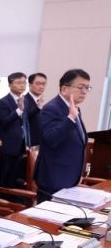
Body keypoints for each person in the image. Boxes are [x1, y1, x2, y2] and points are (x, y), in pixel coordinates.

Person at [34, 69, 91, 202]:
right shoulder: (51, 108)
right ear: (65, 89)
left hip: (69, 178)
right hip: (53, 180)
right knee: (47, 221)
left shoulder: (74, 108)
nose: (84, 92)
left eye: (87, 88)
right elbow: (51, 139)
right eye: (81, 87)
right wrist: (70, 118)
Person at [0, 72, 28, 188]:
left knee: (17, 176)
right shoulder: (3, 102)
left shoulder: (24, 100)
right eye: (19, 82)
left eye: (24, 82)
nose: (22, 85)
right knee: (5, 177)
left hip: (22, 146)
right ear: (10, 84)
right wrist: (18, 110)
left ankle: (16, 199)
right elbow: (4, 122)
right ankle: (4, 201)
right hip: (8, 147)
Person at [25, 72, 47, 146]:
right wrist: (38, 107)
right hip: (29, 144)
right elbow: (24, 118)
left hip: (41, 143)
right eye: (38, 83)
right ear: (30, 85)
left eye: (43, 84)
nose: (41, 86)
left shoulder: (42, 102)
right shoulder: (24, 100)